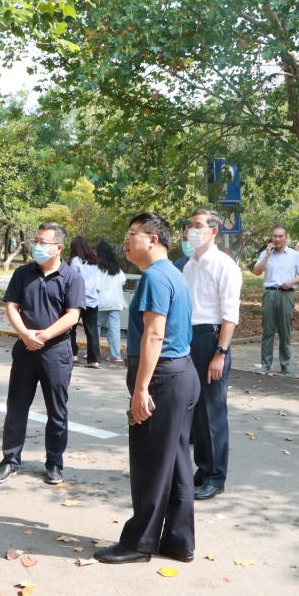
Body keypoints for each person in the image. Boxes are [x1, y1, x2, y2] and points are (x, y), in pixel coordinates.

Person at [94, 213, 198, 564]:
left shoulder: (155, 276)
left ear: (153, 239)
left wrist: (141, 389)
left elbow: (154, 335)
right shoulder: (173, 273)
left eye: (133, 233)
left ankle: (140, 542)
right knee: (177, 462)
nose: (126, 240)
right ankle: (178, 540)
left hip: (162, 377)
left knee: (150, 463)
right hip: (181, 373)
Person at [0, 222, 84, 486]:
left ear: (59, 247)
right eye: (37, 241)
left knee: (57, 410)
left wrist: (42, 336)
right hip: (25, 349)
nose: (37, 246)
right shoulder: (23, 273)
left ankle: (54, 463)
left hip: (56, 352)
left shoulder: (72, 278)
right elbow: (12, 306)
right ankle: (10, 460)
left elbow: (73, 316)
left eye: (43, 242)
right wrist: (25, 334)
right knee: (16, 407)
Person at [182, 210, 242, 500]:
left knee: (213, 411)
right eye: (190, 226)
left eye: (198, 226)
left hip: (211, 338)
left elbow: (230, 315)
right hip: (190, 337)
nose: (192, 231)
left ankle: (216, 476)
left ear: (214, 231)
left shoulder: (224, 265)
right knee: (196, 410)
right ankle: (204, 468)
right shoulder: (189, 265)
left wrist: (220, 352)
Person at [252, 226, 299, 375]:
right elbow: (257, 271)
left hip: (286, 294)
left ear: (286, 238)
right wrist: (266, 256)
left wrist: (291, 282)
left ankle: (286, 364)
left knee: (285, 331)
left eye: (280, 236)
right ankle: (265, 365)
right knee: (268, 330)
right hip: (269, 294)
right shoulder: (266, 253)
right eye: (274, 236)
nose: (277, 239)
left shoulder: (294, 255)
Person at [69, 236, 101, 368]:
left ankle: (73, 355)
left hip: (78, 299)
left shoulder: (75, 261)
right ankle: (94, 360)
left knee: (71, 328)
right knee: (92, 330)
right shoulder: (95, 260)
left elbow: (72, 280)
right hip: (93, 299)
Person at [95, 241, 126, 364]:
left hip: (101, 303)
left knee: (96, 327)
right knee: (114, 329)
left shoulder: (98, 268)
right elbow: (123, 282)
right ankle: (115, 355)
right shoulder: (117, 269)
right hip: (116, 302)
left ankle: (94, 352)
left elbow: (96, 286)